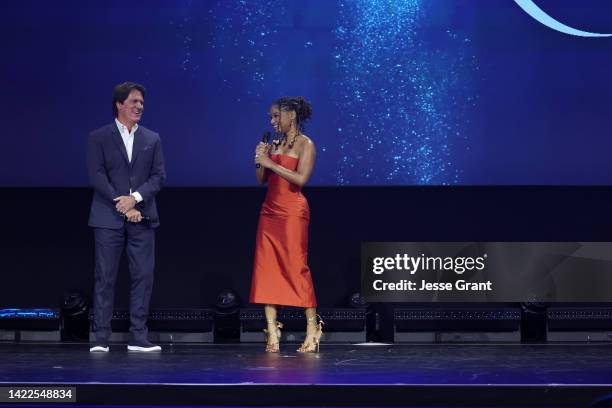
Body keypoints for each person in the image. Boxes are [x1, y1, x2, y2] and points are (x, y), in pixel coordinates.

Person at [87, 82, 166, 352]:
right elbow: (97, 175)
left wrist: (136, 199)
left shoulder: (152, 138)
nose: (139, 107)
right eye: (134, 102)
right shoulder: (99, 136)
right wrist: (121, 203)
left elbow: (158, 177)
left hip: (142, 217)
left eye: (142, 103)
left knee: (143, 276)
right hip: (107, 217)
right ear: (119, 104)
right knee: (105, 276)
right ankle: (100, 337)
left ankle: (138, 337)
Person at [250, 96, 322, 353]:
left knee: (296, 267)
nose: (272, 121)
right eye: (271, 117)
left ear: (291, 115)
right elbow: (261, 178)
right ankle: (272, 332)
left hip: (292, 212)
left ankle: (313, 329)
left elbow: (301, 179)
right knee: (267, 269)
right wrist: (260, 159)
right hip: (269, 212)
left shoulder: (306, 145)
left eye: (275, 116)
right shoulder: (275, 143)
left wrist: (272, 163)